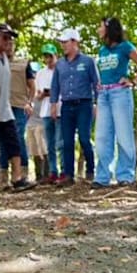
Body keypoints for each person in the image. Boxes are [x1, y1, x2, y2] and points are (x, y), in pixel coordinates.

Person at [93, 17, 137, 186]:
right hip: (103, 95)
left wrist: (133, 81)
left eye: (100, 26)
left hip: (120, 93)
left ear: (109, 28)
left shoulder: (125, 46)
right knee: (102, 137)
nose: (98, 29)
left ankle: (125, 176)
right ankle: (102, 177)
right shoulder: (102, 50)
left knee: (124, 135)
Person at [0, 22, 33, 191]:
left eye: (9, 39)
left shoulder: (4, 57)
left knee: (14, 143)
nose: (7, 42)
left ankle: (17, 178)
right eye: (4, 37)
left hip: (5, 109)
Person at [49, 28, 98, 185]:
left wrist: (97, 104)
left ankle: (91, 171)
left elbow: (96, 83)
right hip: (66, 105)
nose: (63, 45)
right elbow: (55, 85)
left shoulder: (88, 61)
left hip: (84, 104)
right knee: (66, 142)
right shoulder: (60, 64)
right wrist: (53, 104)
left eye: (66, 42)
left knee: (84, 138)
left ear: (75, 42)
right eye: (62, 42)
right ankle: (68, 175)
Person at [2, 45, 36, 179]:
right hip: (2, 106)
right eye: (6, 43)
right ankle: (2, 175)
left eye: (11, 44)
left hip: (20, 106)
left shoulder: (23, 63)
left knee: (18, 135)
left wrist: (29, 103)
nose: (8, 46)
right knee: (3, 139)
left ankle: (22, 172)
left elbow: (32, 86)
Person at [34, 42, 61, 183]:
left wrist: (55, 93)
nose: (48, 60)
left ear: (56, 56)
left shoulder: (62, 70)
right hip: (45, 111)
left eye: (50, 56)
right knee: (49, 144)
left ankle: (64, 171)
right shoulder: (40, 74)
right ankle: (52, 172)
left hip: (61, 110)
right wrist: (42, 94)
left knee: (61, 142)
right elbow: (37, 95)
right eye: (46, 57)